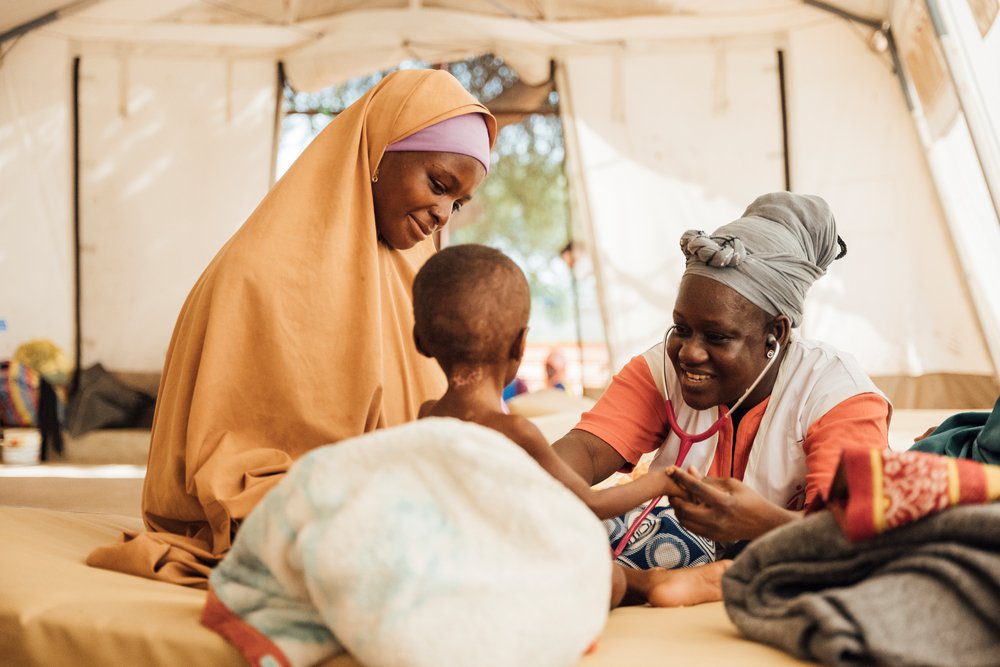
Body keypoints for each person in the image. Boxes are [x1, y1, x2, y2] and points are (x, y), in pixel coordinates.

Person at [87, 69, 497, 587]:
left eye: (456, 203)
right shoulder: (257, 271)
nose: (442, 214)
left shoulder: (411, 280)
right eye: (438, 185)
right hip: (287, 516)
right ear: (376, 151)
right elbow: (232, 465)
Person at [553, 192, 891, 573]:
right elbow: (588, 450)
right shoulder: (659, 369)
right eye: (682, 328)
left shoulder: (838, 395)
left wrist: (763, 524)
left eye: (717, 337)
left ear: (775, 334)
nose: (689, 353)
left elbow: (859, 536)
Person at [413, 243, 732, 607]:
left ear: (420, 341)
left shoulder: (426, 415)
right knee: (603, 572)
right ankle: (649, 584)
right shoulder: (517, 431)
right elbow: (589, 503)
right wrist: (660, 481)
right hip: (506, 565)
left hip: (450, 564)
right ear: (520, 345)